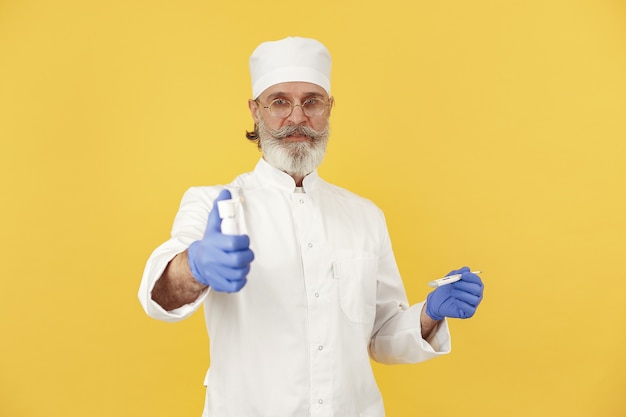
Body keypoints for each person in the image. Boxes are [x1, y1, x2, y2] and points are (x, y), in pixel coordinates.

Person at [138, 36, 484, 417]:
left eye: (312, 101)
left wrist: (429, 314)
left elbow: (379, 336)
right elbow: (158, 298)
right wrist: (195, 266)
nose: (298, 117)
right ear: (255, 110)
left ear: (329, 108)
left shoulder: (364, 215)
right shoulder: (214, 205)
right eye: (280, 102)